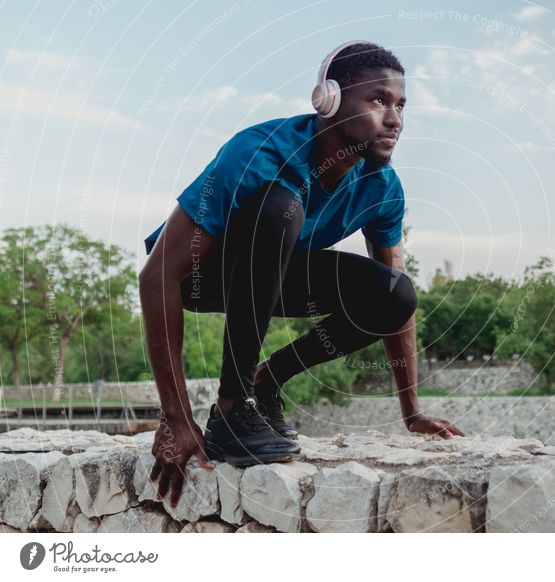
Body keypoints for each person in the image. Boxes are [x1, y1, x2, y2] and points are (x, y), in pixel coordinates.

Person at [138, 40, 465, 507]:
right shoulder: (258, 151)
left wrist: (412, 413)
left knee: (395, 293)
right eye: (377, 101)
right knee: (280, 205)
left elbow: (396, 304)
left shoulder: (382, 187)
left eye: (400, 105)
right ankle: (231, 407)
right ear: (328, 100)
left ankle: (265, 382)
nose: (394, 119)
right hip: (202, 275)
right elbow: (156, 276)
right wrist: (175, 415)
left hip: (273, 273)